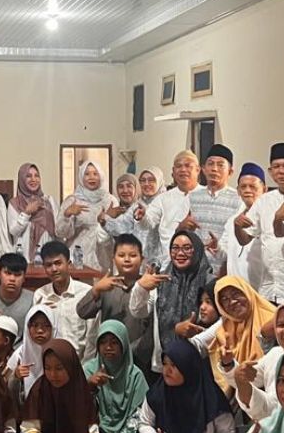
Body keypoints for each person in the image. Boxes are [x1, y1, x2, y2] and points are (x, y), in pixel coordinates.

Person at [124, 338, 235, 433]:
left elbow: (227, 431)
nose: (167, 371)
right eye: (165, 364)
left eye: (174, 366)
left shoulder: (210, 395)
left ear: (188, 367)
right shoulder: (158, 393)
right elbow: (144, 423)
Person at [20, 339, 126, 433]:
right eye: (48, 368)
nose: (53, 374)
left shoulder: (81, 390)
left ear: (70, 366)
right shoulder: (39, 388)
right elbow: (30, 430)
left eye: (59, 368)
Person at [237, 143, 284, 303]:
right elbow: (244, 239)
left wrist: (278, 218)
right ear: (270, 172)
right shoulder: (263, 201)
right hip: (268, 287)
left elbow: (281, 232)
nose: (281, 171)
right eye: (276, 167)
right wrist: (237, 226)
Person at [129, 230, 212, 372]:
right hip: (164, 362)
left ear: (197, 250)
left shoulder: (209, 282)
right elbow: (138, 312)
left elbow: (217, 324)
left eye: (187, 248)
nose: (180, 253)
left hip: (198, 362)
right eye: (175, 248)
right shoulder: (161, 280)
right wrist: (141, 288)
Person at [228, 300, 284, 423]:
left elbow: (274, 410)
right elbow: (251, 377)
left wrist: (244, 385)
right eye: (281, 325)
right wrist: (230, 367)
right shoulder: (276, 353)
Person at [78, 233, 154, 376]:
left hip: (139, 359)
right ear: (113, 259)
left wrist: (130, 351)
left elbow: (151, 330)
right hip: (108, 356)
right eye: (121, 255)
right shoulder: (107, 285)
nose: (127, 259)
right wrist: (96, 289)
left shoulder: (149, 286)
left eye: (133, 255)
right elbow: (82, 312)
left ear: (142, 259)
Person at [85, 320, 148, 433]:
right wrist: (90, 385)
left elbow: (139, 412)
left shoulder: (135, 375)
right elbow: (79, 408)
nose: (108, 347)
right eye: (103, 342)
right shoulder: (89, 370)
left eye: (114, 342)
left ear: (123, 344)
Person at [33, 241, 98, 360]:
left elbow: (92, 337)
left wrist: (86, 368)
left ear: (69, 264)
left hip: (79, 363)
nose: (54, 269)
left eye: (58, 263)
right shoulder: (40, 295)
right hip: (49, 363)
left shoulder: (86, 293)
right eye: (48, 265)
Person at [188, 144, 245, 276]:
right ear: (203, 169)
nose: (214, 169)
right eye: (210, 164)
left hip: (225, 269)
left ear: (230, 171)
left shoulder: (238, 199)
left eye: (220, 165)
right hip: (196, 268)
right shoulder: (192, 197)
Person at [140, 151, 200, 268]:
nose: (183, 169)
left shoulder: (206, 195)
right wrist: (142, 217)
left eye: (188, 166)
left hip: (200, 265)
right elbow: (148, 223)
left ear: (198, 170)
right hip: (169, 265)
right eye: (179, 166)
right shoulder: (163, 199)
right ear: (173, 171)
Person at [58, 159, 118, 272]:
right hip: (78, 255)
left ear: (101, 176)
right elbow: (61, 233)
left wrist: (106, 221)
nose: (91, 177)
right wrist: (67, 215)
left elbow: (117, 232)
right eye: (87, 174)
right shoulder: (72, 200)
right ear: (81, 177)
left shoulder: (110, 200)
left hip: (103, 255)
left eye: (95, 174)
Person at [107, 166, 166, 265]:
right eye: (142, 180)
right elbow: (120, 228)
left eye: (151, 180)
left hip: (161, 263)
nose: (146, 184)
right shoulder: (137, 205)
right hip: (138, 263)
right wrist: (106, 219)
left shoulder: (166, 204)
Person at [10, 163, 61, 264]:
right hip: (24, 259)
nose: (33, 179)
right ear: (22, 179)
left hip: (48, 258)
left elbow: (58, 231)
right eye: (28, 176)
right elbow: (14, 231)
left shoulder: (49, 201)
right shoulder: (15, 203)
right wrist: (26, 213)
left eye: (36, 176)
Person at [226, 163, 268, 285]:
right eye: (243, 187)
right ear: (238, 191)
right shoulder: (232, 220)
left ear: (264, 189)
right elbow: (224, 252)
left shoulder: (270, 218)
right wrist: (216, 248)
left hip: (261, 287)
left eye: (253, 186)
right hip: (235, 286)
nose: (247, 190)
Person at [7, 305, 55, 405]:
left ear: (54, 327)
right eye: (35, 325)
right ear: (27, 327)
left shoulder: (60, 352)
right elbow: (5, 387)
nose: (40, 330)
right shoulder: (19, 354)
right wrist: (15, 376)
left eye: (46, 325)